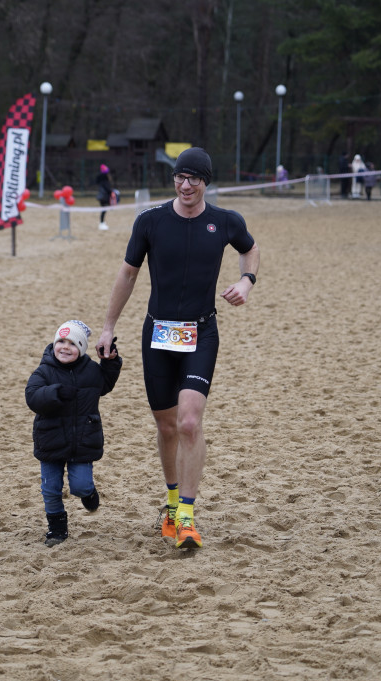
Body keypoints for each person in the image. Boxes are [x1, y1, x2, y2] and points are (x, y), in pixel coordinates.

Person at [95, 147, 260, 550]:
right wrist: (108, 327)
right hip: (159, 334)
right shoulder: (150, 221)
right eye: (180, 178)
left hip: (201, 333)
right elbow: (128, 274)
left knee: (189, 422)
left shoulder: (225, 222)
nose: (186, 186)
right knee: (166, 425)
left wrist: (246, 281)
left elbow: (249, 248)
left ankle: (186, 515)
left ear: (206, 182)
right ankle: (170, 505)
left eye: (194, 179)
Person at [25, 320, 122, 547]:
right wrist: (56, 392)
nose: (64, 347)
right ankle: (57, 529)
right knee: (50, 489)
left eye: (72, 343)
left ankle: (88, 494)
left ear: (82, 347)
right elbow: (32, 396)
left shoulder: (90, 371)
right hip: (51, 441)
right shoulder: (44, 370)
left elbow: (106, 384)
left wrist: (111, 361)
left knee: (81, 485)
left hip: (83, 442)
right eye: (60, 341)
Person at [95, 164, 114, 231]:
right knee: (104, 210)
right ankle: (102, 223)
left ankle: (102, 222)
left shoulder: (101, 181)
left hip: (103, 197)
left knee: (104, 210)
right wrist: (112, 192)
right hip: (104, 197)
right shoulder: (105, 182)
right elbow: (108, 190)